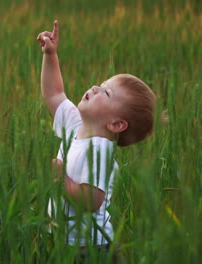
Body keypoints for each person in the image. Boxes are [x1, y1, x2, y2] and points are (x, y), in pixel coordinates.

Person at [37, 20, 156, 262]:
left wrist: (62, 180)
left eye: (106, 92)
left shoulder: (100, 152)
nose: (95, 87)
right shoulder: (75, 125)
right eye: (101, 85)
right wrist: (50, 55)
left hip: (91, 248)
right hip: (66, 241)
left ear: (116, 124)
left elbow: (92, 200)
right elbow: (54, 93)